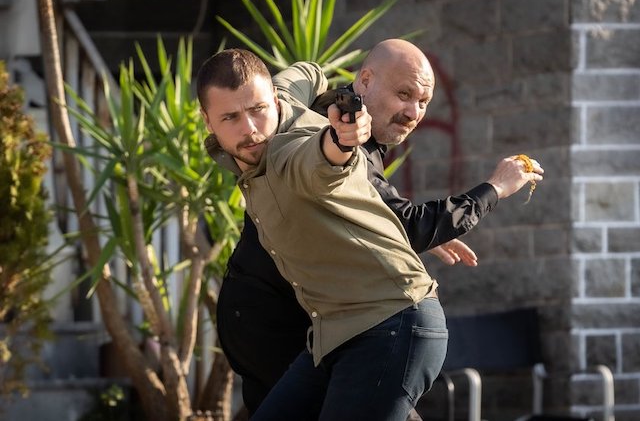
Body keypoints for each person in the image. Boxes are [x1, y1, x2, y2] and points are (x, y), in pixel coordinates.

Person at [197, 47, 543, 420]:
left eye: (258, 110)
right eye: (231, 117)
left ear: (273, 103)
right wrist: (332, 105)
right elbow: (309, 71)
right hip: (330, 333)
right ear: (208, 121)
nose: (250, 128)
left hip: (390, 322)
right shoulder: (285, 98)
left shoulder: (298, 148)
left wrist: (343, 139)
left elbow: (322, 159)